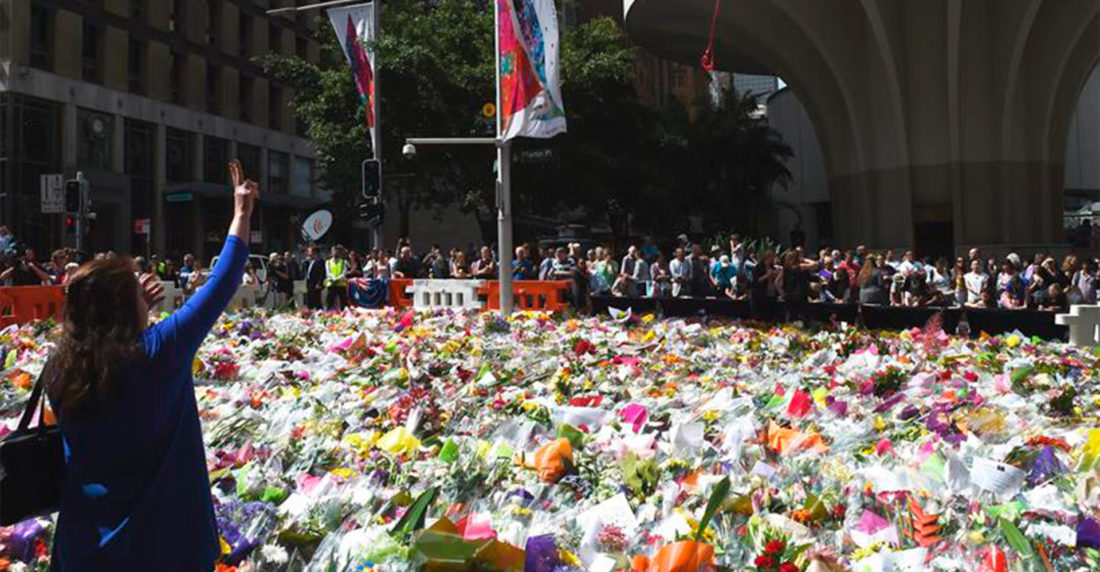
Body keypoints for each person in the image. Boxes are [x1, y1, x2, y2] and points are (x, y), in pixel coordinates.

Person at [44, 159, 257, 570]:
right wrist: (242, 213)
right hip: (167, 547)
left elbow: (108, 353)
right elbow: (222, 281)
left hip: (85, 548)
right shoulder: (160, 350)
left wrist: (136, 312)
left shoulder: (60, 367)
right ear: (127, 307)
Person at [750, 249, 780, 319]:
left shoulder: (773, 268)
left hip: (771, 295)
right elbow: (756, 281)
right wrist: (767, 275)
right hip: (760, 295)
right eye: (772, 257)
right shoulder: (758, 267)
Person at [324, 245, 350, 310]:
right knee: (329, 301)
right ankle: (329, 312)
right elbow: (328, 272)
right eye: (333, 251)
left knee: (343, 301)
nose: (335, 252)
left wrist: (338, 279)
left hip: (341, 284)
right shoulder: (328, 262)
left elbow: (344, 272)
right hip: (331, 283)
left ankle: (343, 312)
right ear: (331, 252)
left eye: (337, 251)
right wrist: (334, 279)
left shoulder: (343, 262)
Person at [304, 245, 326, 310]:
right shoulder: (310, 261)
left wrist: (319, 283)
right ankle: (310, 310)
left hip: (316, 283)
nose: (308, 253)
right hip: (310, 282)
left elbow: (322, 273)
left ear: (314, 252)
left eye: (309, 251)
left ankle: (320, 311)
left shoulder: (320, 261)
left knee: (317, 299)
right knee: (310, 299)